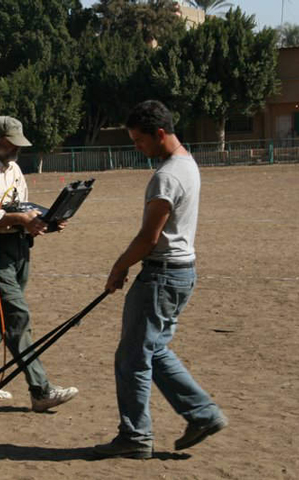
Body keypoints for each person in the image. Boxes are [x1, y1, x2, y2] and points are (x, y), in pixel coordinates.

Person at [93, 100, 228, 459]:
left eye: (139, 141)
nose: (137, 148)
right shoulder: (187, 164)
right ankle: (203, 414)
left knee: (133, 358)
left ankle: (135, 437)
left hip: (161, 276)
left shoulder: (167, 175)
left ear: (160, 134)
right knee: (153, 350)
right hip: (180, 273)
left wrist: (119, 267)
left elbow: (148, 238)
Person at [0, 115, 78, 412]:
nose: (16, 151)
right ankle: (41, 389)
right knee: (15, 316)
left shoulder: (13, 168)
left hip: (19, 248)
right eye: (12, 144)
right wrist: (20, 220)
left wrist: (43, 223)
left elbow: (22, 207)